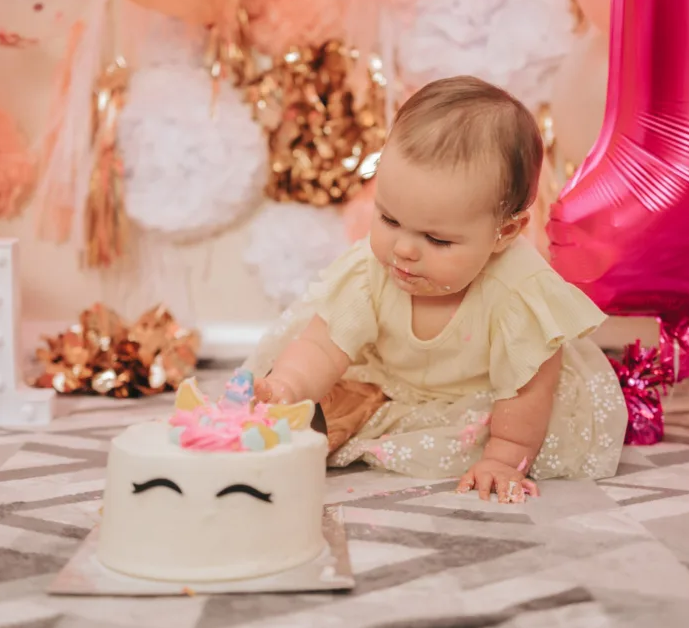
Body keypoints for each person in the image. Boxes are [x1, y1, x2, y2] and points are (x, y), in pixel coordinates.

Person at [244, 76, 627, 503]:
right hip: (390, 380)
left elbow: (527, 388)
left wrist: (505, 457)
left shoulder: (516, 291)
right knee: (324, 403)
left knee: (509, 422)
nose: (404, 249)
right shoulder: (371, 270)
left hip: (485, 401)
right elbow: (322, 344)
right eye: (388, 219)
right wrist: (290, 386)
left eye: (438, 240)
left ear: (506, 232)